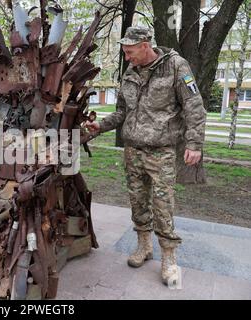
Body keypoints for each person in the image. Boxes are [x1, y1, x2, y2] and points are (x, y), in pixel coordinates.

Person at [86, 26, 206, 286]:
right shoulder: (130, 72)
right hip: (133, 150)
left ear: (145, 44)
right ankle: (144, 246)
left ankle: (169, 258)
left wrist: (194, 144)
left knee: (163, 206)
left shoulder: (176, 66)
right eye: (125, 53)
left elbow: (194, 106)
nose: (127, 57)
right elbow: (122, 111)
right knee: (138, 202)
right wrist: (101, 125)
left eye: (130, 52)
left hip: (161, 151)